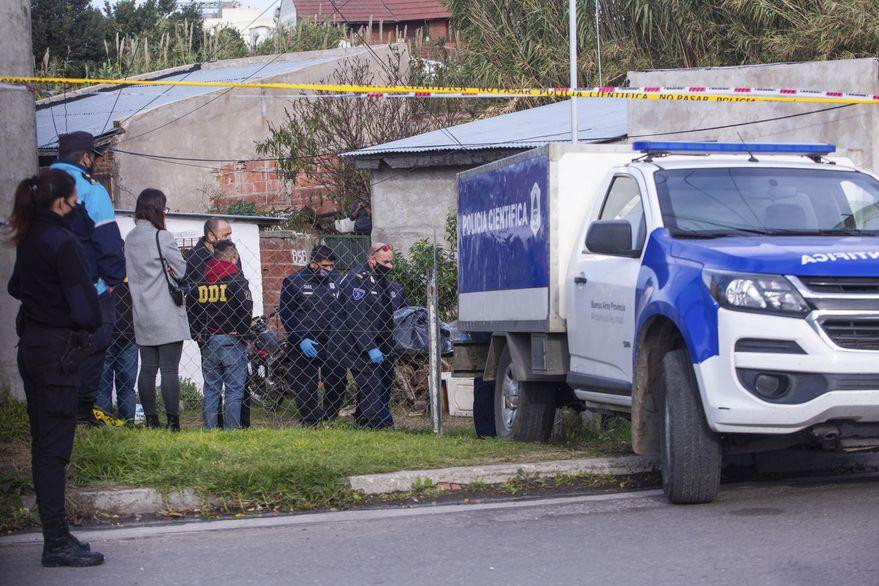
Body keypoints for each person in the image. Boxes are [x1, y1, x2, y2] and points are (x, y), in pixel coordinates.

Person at [7, 169, 105, 567]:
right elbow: (86, 310)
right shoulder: (63, 241)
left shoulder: (30, 235)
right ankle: (55, 542)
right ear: (62, 202)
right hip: (56, 354)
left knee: (44, 446)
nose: (80, 205)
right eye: (76, 198)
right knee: (53, 452)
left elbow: (16, 287)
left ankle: (59, 535)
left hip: (33, 347)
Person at [50, 131, 125, 427]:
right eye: (93, 157)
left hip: (46, 288)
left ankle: (53, 410)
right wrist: (114, 278)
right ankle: (82, 412)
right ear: (85, 157)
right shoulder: (91, 189)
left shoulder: (35, 187)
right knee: (95, 342)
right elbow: (107, 240)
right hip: (88, 287)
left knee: (53, 347)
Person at [125, 189, 190, 431]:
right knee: (169, 369)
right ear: (158, 209)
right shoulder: (161, 237)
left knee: (148, 369)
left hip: (142, 313)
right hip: (166, 313)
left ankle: (152, 421)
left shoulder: (130, 238)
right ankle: (173, 423)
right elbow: (182, 270)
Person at [279, 245, 348, 426]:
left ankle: (329, 416)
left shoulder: (336, 281)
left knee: (337, 380)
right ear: (313, 263)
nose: (329, 270)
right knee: (304, 385)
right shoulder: (293, 282)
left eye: (332, 266)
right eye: (325, 266)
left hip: (331, 341)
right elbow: (287, 314)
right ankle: (310, 420)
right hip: (304, 342)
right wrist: (300, 338)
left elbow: (343, 310)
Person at [194, 241, 253, 429]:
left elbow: (191, 309)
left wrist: (198, 334)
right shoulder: (236, 279)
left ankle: (211, 430)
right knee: (234, 390)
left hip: (208, 341)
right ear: (232, 256)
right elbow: (246, 308)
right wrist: (244, 334)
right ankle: (232, 431)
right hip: (232, 339)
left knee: (211, 389)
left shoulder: (201, 281)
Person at [341, 242, 397, 429]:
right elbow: (357, 317)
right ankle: (370, 425)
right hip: (360, 343)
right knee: (371, 383)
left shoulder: (379, 278)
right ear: (372, 260)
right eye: (385, 262)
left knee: (385, 381)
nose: (389, 266)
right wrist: (370, 346)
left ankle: (377, 420)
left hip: (382, 341)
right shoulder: (357, 279)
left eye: (391, 262)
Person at [96, 277, 138, 424]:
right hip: (129, 329)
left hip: (105, 328)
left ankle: (103, 422)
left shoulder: (99, 264)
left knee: (102, 383)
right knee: (127, 384)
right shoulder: (135, 264)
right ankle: (128, 422)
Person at [184, 217, 233, 284]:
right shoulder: (190, 258)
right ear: (211, 236)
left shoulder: (231, 252)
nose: (229, 238)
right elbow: (186, 288)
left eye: (230, 234)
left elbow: (239, 280)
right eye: (225, 235)